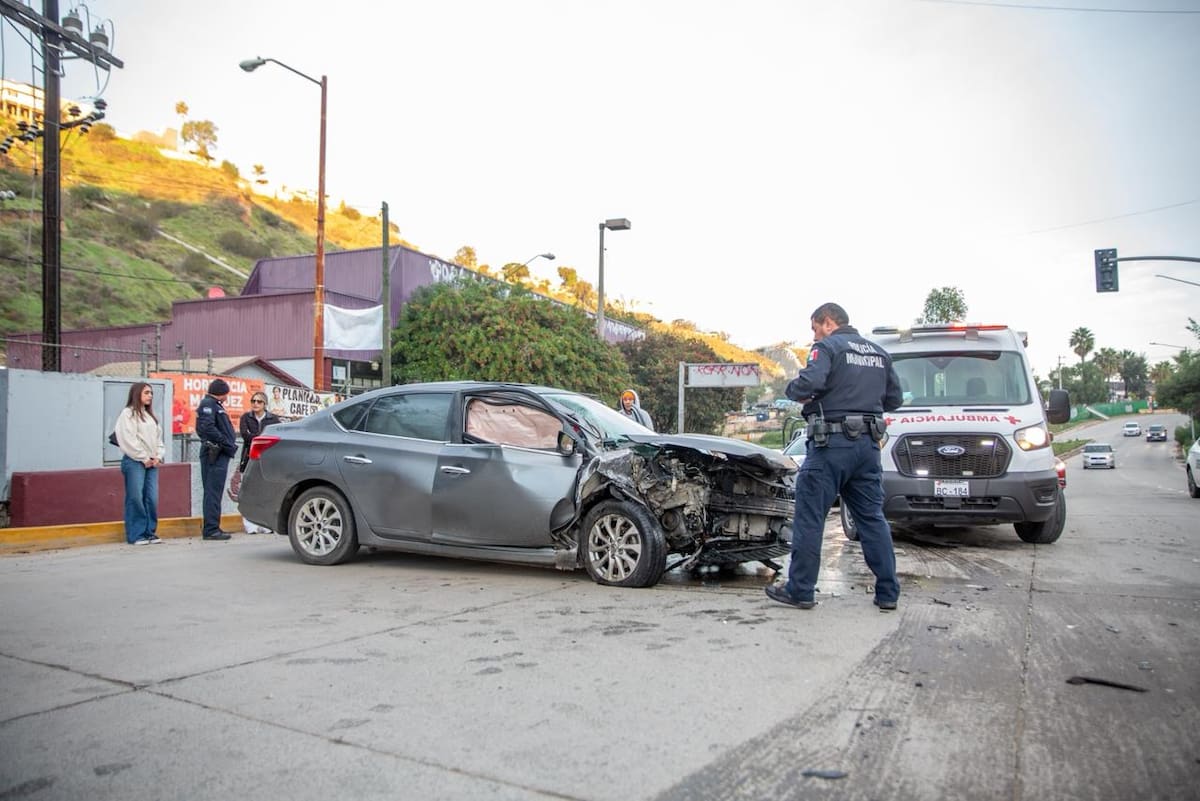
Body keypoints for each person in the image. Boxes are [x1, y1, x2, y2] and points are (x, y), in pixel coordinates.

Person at [765, 302, 904, 612]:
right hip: (868, 448)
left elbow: (809, 384)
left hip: (830, 445)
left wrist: (794, 389)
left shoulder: (828, 347)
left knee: (810, 516)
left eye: (815, 329)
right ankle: (888, 592)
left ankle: (800, 589)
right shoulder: (878, 353)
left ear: (827, 322)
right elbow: (894, 398)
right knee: (871, 518)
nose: (814, 336)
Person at [114, 382, 166, 546]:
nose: (150, 395)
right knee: (135, 497)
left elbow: (159, 440)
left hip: (152, 463)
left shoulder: (151, 416)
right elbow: (128, 439)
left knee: (151, 497)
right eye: (146, 393)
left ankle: (149, 532)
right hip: (135, 462)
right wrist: (144, 458)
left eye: (151, 393)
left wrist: (157, 456)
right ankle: (136, 534)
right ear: (137, 394)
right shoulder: (127, 414)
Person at [195, 378, 239, 540]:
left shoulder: (215, 405)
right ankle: (211, 529)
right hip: (214, 453)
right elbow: (206, 427)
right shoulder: (208, 404)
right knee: (213, 492)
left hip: (219, 453)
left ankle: (213, 527)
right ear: (221, 393)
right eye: (226, 393)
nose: (227, 397)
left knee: (214, 492)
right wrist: (225, 442)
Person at [234, 390, 281, 533]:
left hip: (268, 459)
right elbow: (245, 436)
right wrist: (261, 438)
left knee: (267, 492)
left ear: (265, 404)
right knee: (249, 492)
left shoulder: (273, 419)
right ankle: (250, 525)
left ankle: (265, 525)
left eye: (259, 401)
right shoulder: (245, 418)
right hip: (249, 458)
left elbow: (275, 436)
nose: (255, 404)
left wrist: (256, 437)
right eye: (253, 401)